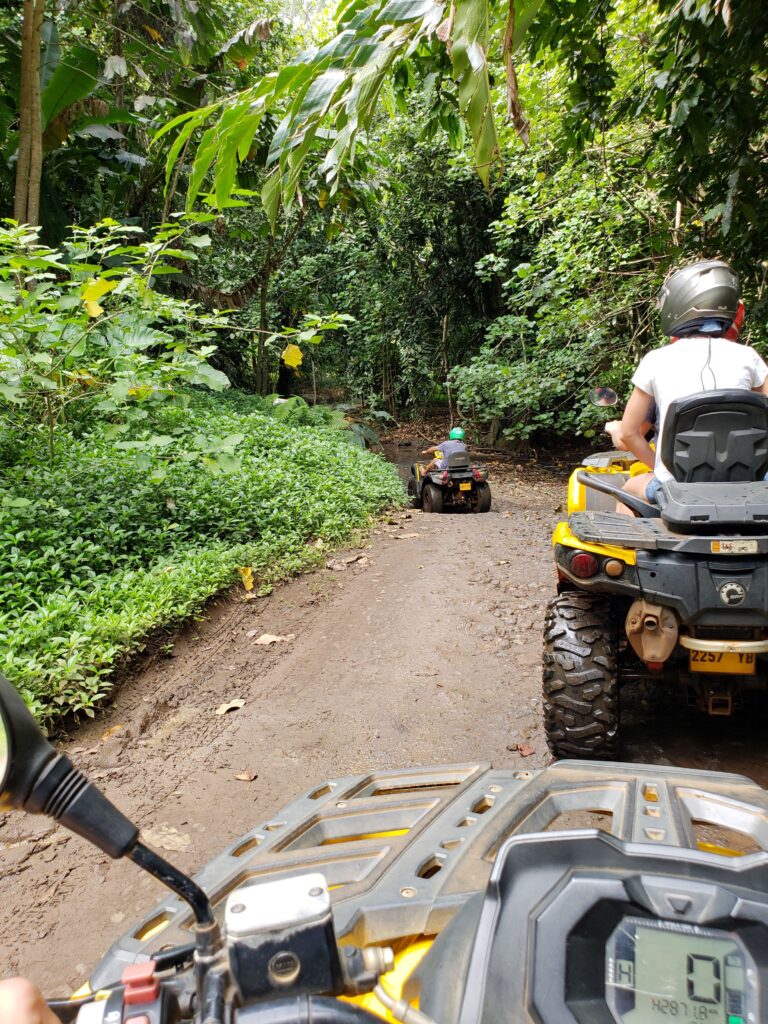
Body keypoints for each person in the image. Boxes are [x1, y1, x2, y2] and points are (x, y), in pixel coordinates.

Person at [617, 261, 768, 513]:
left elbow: (628, 433)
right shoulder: (749, 357)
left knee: (629, 489)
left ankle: (629, 549)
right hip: (748, 485)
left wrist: (661, 470)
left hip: (677, 488)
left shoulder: (656, 359)